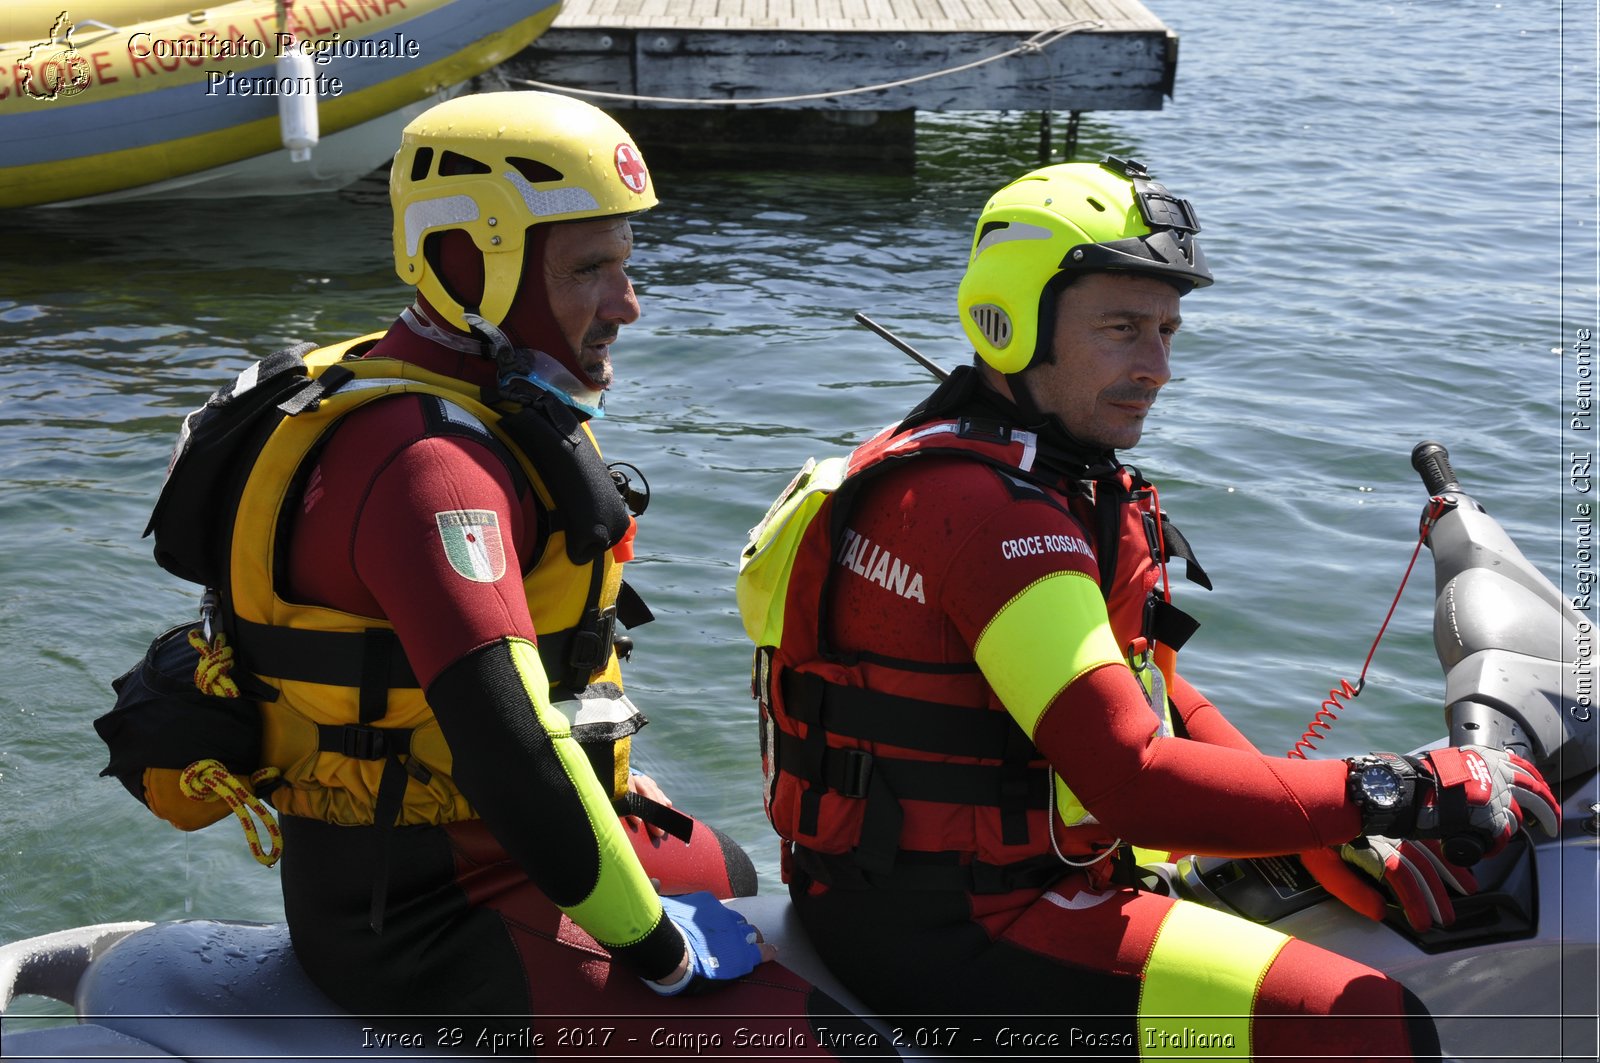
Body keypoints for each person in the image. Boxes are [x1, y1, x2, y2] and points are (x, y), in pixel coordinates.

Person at [735, 156, 1562, 1060]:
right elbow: (1133, 780)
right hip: (960, 931)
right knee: (1363, 1018)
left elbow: (1153, 692)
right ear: (1011, 323)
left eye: (1168, 330)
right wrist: (1403, 789)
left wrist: (1323, 826)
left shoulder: (1012, 471)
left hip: (917, 890)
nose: (1158, 367)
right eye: (1123, 329)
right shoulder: (994, 521)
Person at [149, 90, 879, 1051]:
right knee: (835, 1043)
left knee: (735, 872)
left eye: (626, 264)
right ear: (467, 264)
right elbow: (511, 747)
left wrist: (618, 784)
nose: (627, 304)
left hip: (479, 845)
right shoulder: (428, 464)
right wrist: (656, 950)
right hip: (424, 910)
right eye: (590, 271)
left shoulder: (457, 391)